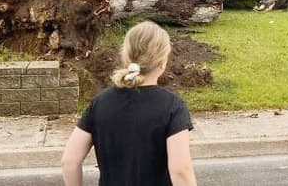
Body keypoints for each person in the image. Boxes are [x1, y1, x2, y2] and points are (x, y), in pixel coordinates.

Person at [61, 21, 197, 186]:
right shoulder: (172, 107)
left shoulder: (100, 103)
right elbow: (180, 170)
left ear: (126, 57)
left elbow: (69, 161)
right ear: (162, 62)